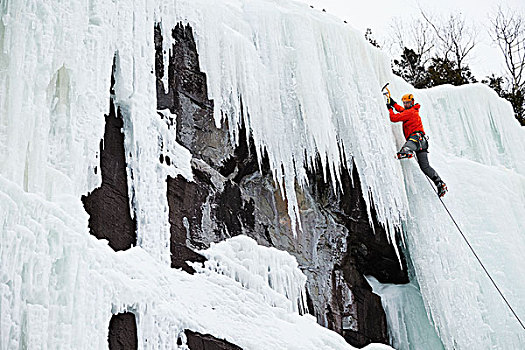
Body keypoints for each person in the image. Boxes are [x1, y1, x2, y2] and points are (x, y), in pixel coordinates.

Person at [387, 93, 447, 197]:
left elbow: (394, 118)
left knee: (408, 146)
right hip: (422, 143)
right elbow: (401, 110)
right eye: (405, 103)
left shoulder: (410, 112)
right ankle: (439, 183)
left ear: (412, 102)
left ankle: (407, 151)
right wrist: (393, 103)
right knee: (425, 167)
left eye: (408, 102)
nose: (406, 104)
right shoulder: (411, 111)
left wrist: (389, 109)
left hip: (416, 139)